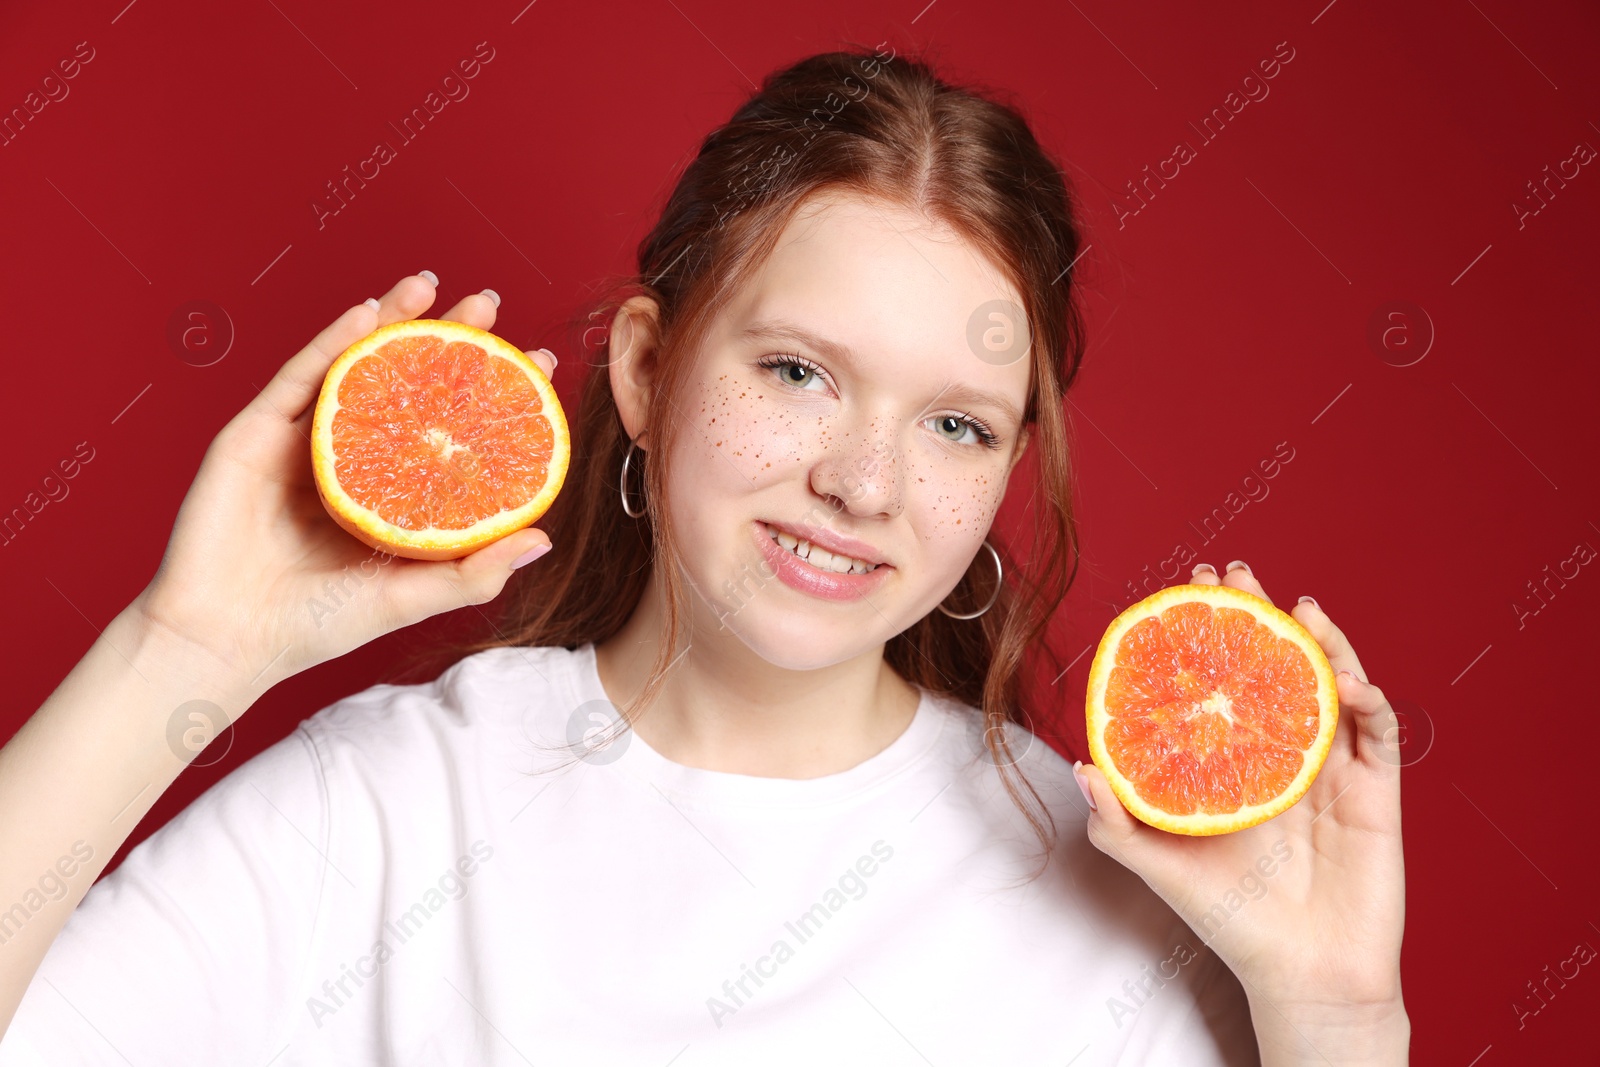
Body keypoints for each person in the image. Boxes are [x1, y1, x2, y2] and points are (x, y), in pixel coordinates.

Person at [0, 45, 1408, 1065]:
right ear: (642, 373)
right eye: (797, 371)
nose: (864, 482)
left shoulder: (1115, 894)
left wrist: (1340, 1017)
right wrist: (177, 655)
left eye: (958, 426)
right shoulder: (384, 811)